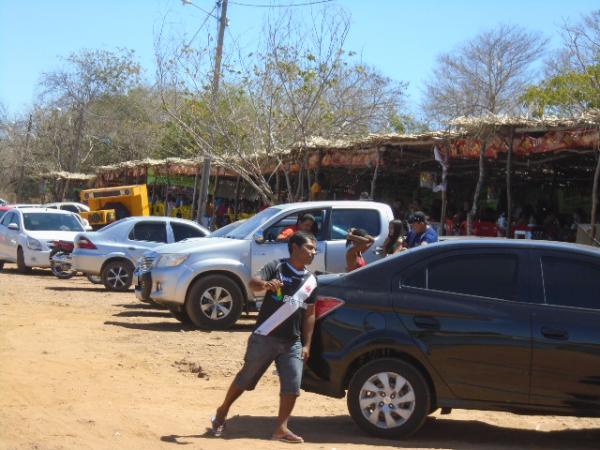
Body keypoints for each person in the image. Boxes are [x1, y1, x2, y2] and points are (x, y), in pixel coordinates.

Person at [210, 231, 318, 444]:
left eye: (314, 249)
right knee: (246, 379)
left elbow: (310, 313)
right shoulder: (276, 266)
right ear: (295, 247)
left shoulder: (311, 281)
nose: (313, 252)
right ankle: (222, 412)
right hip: (265, 336)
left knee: (292, 385)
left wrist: (307, 344)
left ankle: (281, 429)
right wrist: (266, 285)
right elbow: (253, 282)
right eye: (309, 248)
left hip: (292, 342)